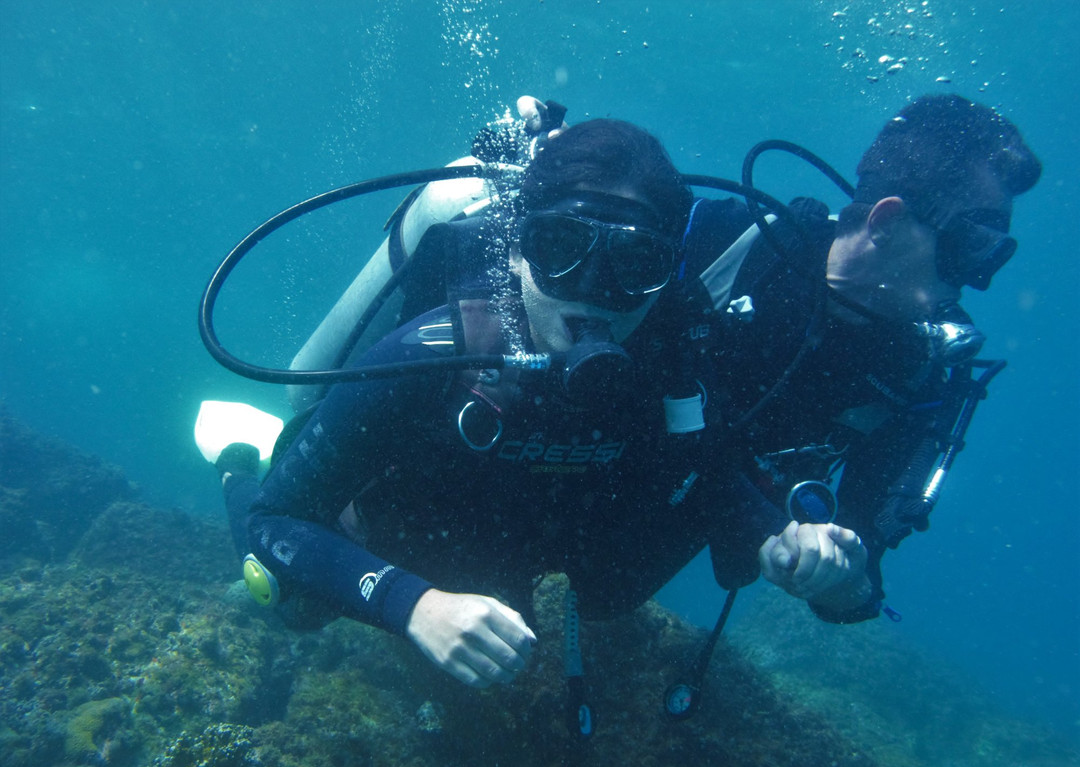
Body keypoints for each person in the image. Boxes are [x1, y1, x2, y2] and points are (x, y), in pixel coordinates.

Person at [217, 118, 730, 691]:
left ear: (666, 277)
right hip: (403, 531)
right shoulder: (437, 352)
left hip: (510, 543)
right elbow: (273, 522)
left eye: (635, 263)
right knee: (295, 607)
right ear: (515, 248)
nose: (591, 288)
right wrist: (413, 605)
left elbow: (711, 479)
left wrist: (781, 534)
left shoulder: (675, 361)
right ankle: (236, 459)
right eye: (559, 246)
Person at [670, 93, 1041, 622]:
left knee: (607, 594)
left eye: (991, 256)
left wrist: (840, 578)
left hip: (646, 550)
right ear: (886, 221)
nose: (975, 278)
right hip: (560, 479)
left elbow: (865, 562)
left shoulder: (919, 368)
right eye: (968, 247)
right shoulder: (721, 242)